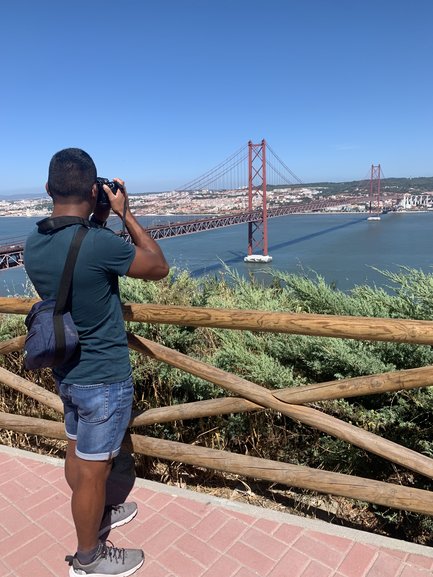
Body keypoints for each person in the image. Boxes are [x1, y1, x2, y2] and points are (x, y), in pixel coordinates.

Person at [24, 148, 169, 577]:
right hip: (104, 377)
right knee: (94, 469)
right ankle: (89, 557)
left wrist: (98, 221)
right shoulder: (101, 242)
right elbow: (158, 266)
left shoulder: (35, 242)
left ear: (48, 189)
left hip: (66, 370)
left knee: (76, 450)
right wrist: (125, 215)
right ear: (94, 190)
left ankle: (98, 514)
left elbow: (78, 263)